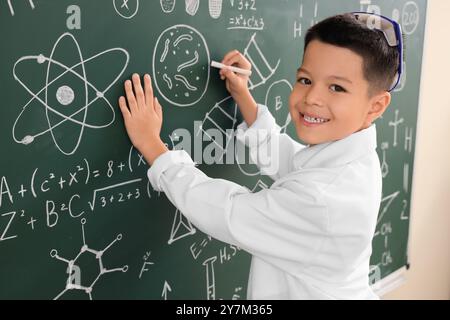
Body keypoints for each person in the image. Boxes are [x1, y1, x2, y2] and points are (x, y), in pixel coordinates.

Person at [117, 13, 403, 299]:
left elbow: (226, 212)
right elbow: (292, 163)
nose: (312, 97)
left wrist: (152, 146)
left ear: (376, 106)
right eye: (305, 79)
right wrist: (243, 97)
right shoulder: (353, 158)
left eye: (336, 87)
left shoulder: (323, 200)